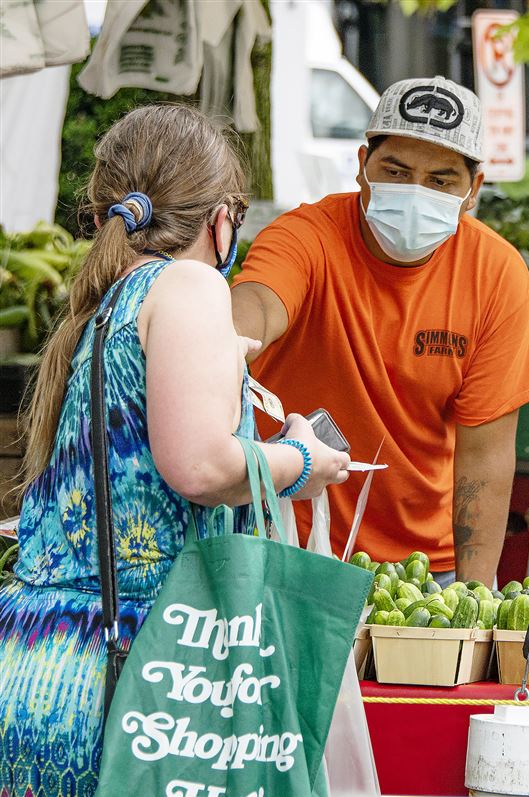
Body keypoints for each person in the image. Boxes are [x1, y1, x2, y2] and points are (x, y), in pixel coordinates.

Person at [0, 105, 350, 797]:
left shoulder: (106, 309)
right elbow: (197, 466)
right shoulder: (189, 284)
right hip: (141, 678)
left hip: (49, 664)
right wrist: (303, 460)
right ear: (222, 220)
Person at [232, 77, 529, 585]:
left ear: (473, 191)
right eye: (396, 172)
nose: (415, 192)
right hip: (291, 550)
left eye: (441, 180)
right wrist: (224, 339)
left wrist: (473, 593)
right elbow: (259, 305)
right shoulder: (305, 236)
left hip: (429, 572)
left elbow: (485, 458)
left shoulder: (497, 276)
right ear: (362, 166)